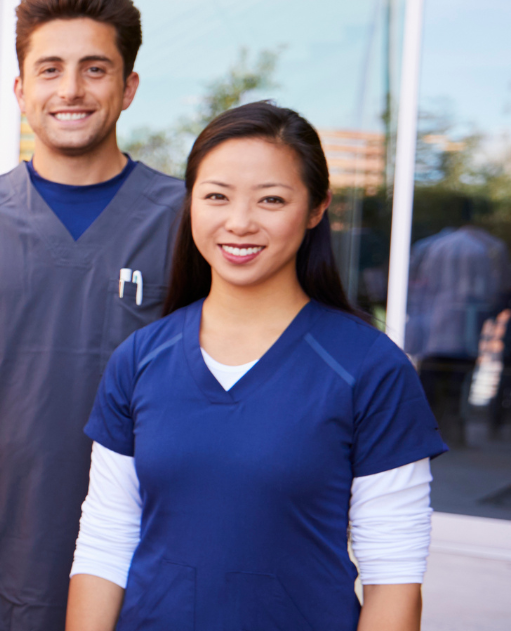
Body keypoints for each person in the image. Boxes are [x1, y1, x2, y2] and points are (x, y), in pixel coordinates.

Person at [67, 101, 447, 631]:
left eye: (271, 199)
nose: (239, 222)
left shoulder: (369, 367)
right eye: (216, 196)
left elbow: (395, 581)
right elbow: (105, 546)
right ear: (191, 204)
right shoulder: (140, 358)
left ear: (317, 209)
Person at [0, 0, 181, 631]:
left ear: (129, 87)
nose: (72, 90)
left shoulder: (186, 224)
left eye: (95, 69)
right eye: (50, 69)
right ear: (22, 90)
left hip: (152, 560)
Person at [405, 214, 511, 449]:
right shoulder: (486, 247)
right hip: (463, 331)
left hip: (434, 329)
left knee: (433, 382)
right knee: (456, 384)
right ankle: (451, 432)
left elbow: (414, 286)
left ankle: (430, 433)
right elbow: (497, 290)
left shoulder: (432, 246)